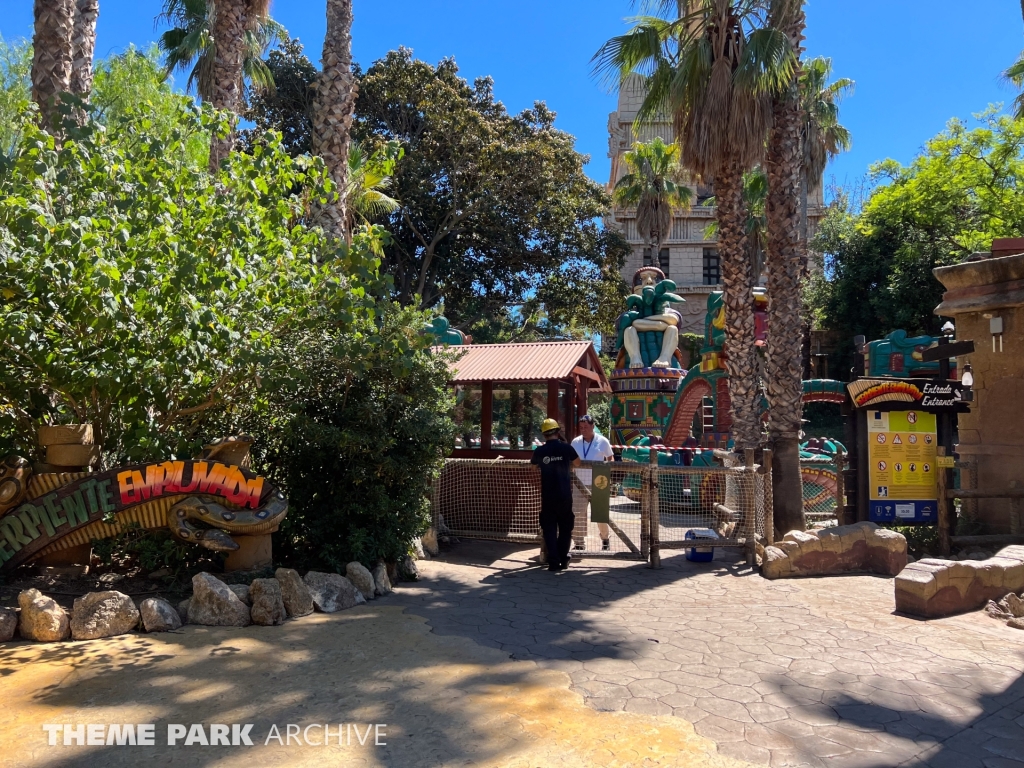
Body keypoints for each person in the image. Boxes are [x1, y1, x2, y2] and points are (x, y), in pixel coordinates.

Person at [530, 418, 580, 572]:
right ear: (558, 432)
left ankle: (553, 562)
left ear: (544, 434)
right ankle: (563, 558)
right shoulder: (566, 448)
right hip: (565, 495)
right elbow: (577, 463)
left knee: (550, 528)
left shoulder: (540, 451)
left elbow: (532, 467)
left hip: (548, 496)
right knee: (565, 528)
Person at [570, 414, 615, 550]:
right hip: (578, 483)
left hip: (598, 483)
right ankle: (579, 543)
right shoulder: (575, 442)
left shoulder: (603, 441)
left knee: (600, 514)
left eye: (586, 427)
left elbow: (610, 458)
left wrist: (607, 474)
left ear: (592, 426)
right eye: (581, 427)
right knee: (577, 513)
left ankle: (605, 539)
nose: (583, 430)